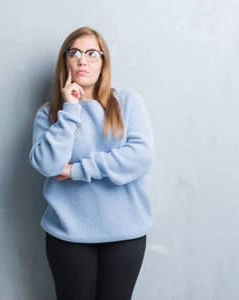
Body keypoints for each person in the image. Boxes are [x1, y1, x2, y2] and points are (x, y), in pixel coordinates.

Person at [28, 26, 155, 300]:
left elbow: (141, 156)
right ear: (65, 62)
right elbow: (48, 165)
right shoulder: (49, 114)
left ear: (103, 62)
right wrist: (70, 109)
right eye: (73, 52)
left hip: (125, 235)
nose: (82, 60)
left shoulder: (128, 103)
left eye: (91, 53)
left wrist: (77, 170)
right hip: (68, 236)